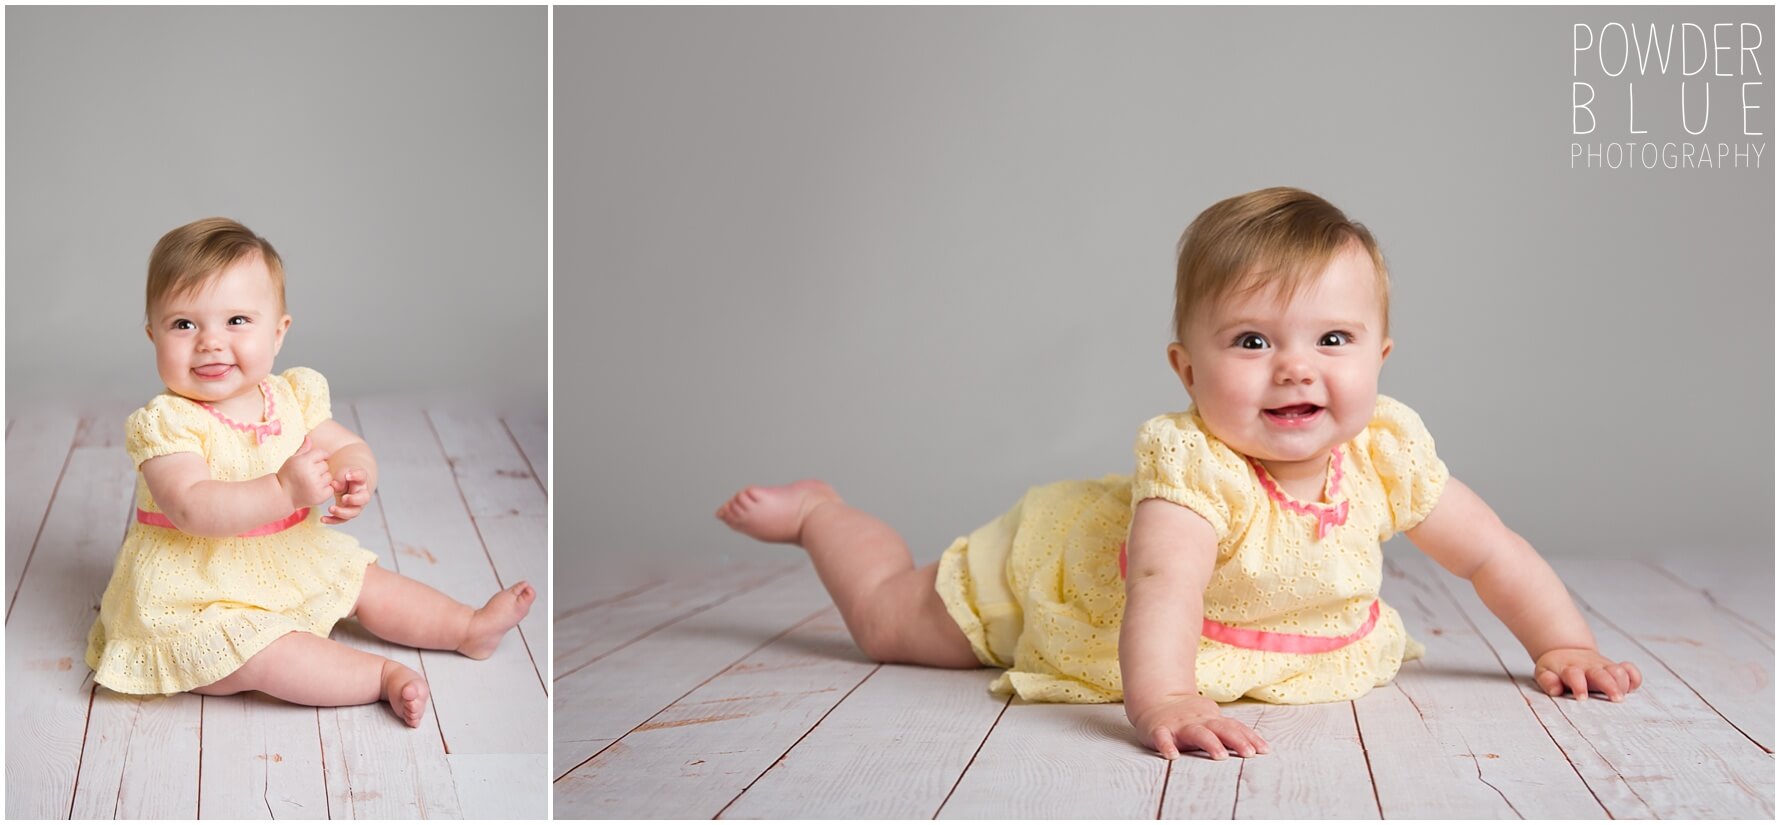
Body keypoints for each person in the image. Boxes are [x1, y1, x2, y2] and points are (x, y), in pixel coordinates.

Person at [716, 187, 1642, 761]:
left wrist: (1561, 644)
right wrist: (1163, 697)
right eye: (1251, 341)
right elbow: (1163, 591)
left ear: (1381, 355)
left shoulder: (1384, 451)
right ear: (1187, 369)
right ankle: (821, 516)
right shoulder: (1193, 464)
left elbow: (1492, 553)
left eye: (1333, 339)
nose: (1296, 367)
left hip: (1253, 632)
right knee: (885, 619)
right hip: (1056, 580)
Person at [86, 218, 535, 727]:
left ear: (278, 333)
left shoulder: (289, 396)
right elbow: (191, 506)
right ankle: (381, 676)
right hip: (198, 590)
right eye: (184, 324)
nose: (210, 342)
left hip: (286, 554)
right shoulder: (168, 423)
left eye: (236, 321)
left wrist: (354, 473)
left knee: (364, 579)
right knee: (259, 652)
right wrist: (282, 489)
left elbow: (344, 445)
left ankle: (467, 627)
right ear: (153, 335)